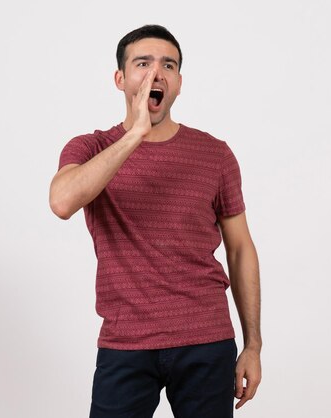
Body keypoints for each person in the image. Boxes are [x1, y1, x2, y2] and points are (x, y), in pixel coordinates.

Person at [49, 24, 261, 418]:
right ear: (120, 78)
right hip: (125, 343)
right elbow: (62, 202)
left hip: (205, 339)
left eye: (168, 65)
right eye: (142, 63)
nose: (155, 74)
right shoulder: (90, 148)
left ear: (179, 82)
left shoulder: (214, 154)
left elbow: (240, 247)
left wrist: (253, 345)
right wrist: (135, 135)